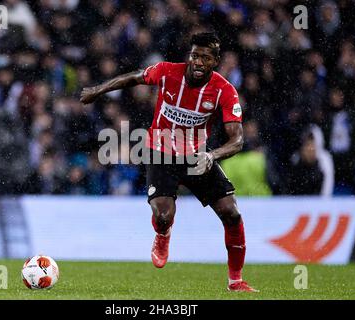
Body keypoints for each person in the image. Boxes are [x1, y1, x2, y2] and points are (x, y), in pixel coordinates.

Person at [80, 32, 257, 292]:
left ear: (215, 61)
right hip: (159, 152)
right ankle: (163, 234)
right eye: (195, 55)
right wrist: (98, 90)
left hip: (198, 156)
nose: (198, 62)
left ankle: (236, 281)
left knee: (232, 213)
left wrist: (212, 155)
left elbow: (237, 140)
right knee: (164, 215)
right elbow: (135, 77)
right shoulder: (167, 72)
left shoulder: (224, 91)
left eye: (205, 58)